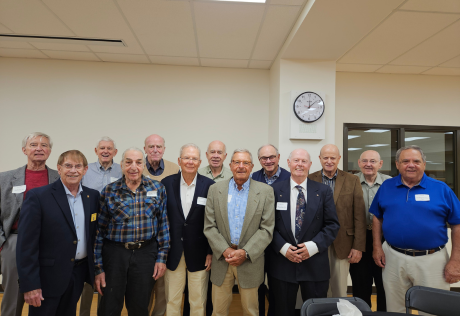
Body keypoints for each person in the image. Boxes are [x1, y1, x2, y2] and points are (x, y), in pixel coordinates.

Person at [370, 145, 460, 313]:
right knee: (395, 308)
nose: (411, 165)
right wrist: (377, 247)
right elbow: (377, 216)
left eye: (416, 161)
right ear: (397, 164)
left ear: (424, 164)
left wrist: (456, 260)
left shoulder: (441, 189)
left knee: (434, 308)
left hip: (432, 259)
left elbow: (457, 224)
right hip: (393, 257)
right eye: (405, 161)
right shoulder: (387, 187)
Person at [16, 150, 100, 316]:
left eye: (78, 166)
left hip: (77, 273)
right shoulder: (38, 196)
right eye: (68, 166)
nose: (73, 170)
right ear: (59, 168)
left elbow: (93, 236)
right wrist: (30, 284)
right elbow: (26, 245)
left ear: (85, 170)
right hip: (47, 277)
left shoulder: (92, 196)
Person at [95, 147, 170, 316]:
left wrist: (161, 258)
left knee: (140, 307)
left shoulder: (158, 189)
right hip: (115, 255)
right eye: (128, 162)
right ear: (121, 165)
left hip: (146, 254)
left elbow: (163, 226)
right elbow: (99, 232)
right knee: (109, 306)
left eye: (138, 162)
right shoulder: (109, 191)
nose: (133, 167)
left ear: (144, 165)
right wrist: (98, 268)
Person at [268, 148, 339, 316]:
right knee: (282, 310)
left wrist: (312, 247)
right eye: (296, 160)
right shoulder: (274, 190)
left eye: (304, 161)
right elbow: (267, 226)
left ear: (310, 164)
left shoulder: (323, 191)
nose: (299, 164)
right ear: (288, 163)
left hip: (314, 262)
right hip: (282, 262)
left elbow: (332, 225)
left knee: (316, 312)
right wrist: (283, 248)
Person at [204, 149, 275, 316]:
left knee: (251, 311)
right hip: (222, 259)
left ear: (252, 166)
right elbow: (209, 226)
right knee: (218, 311)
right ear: (230, 165)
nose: (241, 166)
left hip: (250, 261)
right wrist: (226, 250)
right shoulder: (215, 189)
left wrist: (245, 252)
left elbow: (267, 228)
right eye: (237, 162)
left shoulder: (265, 192)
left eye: (245, 163)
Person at [0, 132, 59, 316]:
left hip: (50, 245)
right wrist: (3, 244)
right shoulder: (5, 178)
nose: (39, 148)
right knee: (12, 300)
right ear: (24, 150)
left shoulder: (60, 178)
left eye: (44, 145)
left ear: (50, 151)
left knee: (45, 298)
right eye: (34, 145)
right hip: (15, 242)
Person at [162, 143, 215, 316]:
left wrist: (210, 251)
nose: (190, 162)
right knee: (172, 300)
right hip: (172, 251)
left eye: (194, 158)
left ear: (200, 162)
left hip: (200, 253)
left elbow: (214, 221)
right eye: (186, 157)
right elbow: (161, 220)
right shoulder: (166, 184)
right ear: (179, 160)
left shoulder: (210, 186)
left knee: (198, 301)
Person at [308, 144, 366, 298]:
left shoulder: (352, 180)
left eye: (332, 158)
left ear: (338, 159)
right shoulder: (309, 179)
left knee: (339, 289)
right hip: (316, 241)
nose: (329, 161)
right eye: (325, 157)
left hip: (343, 243)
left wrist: (358, 247)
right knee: (319, 287)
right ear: (319, 159)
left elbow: (359, 216)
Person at [79, 136, 122, 316]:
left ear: (115, 152)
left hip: (114, 230)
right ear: (96, 151)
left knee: (108, 276)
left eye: (109, 148)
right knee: (89, 275)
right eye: (102, 148)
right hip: (89, 228)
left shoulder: (122, 170)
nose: (105, 151)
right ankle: (84, 313)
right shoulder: (85, 170)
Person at [251, 144, 290, 316]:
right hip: (258, 239)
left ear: (279, 157)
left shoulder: (289, 178)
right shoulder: (253, 177)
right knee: (257, 283)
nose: (268, 161)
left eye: (271, 157)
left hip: (279, 239)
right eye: (263, 158)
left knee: (277, 285)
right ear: (259, 160)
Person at [349, 150, 390, 311]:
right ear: (359, 163)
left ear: (380, 164)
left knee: (384, 284)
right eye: (365, 161)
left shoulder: (390, 183)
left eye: (373, 161)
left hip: (384, 239)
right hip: (359, 238)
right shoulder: (351, 182)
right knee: (360, 284)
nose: (368, 164)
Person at [142, 134, 178, 316]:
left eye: (158, 146)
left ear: (164, 149)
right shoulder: (136, 167)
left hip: (166, 235)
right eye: (151, 146)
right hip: (143, 237)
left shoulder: (174, 169)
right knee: (143, 287)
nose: (155, 150)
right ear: (145, 149)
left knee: (163, 288)